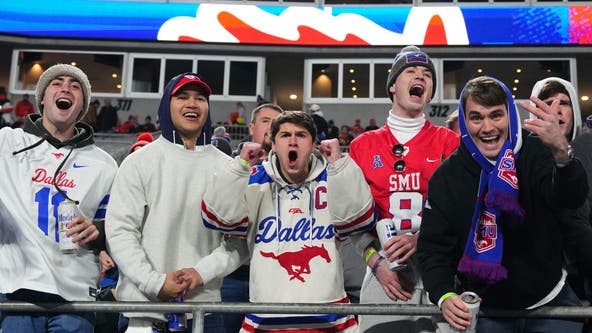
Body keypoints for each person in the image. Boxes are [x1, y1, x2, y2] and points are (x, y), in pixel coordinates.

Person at [417, 76, 591, 333]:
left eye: (496, 115)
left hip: (550, 302)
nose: (487, 127)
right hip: (488, 308)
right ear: (465, 122)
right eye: (476, 118)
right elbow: (433, 249)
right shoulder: (446, 177)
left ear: (510, 116)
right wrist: (443, 294)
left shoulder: (537, 152)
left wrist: (562, 154)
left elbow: (569, 198)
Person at [202, 111, 376, 332]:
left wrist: (339, 166)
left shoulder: (333, 176)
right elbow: (218, 218)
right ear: (273, 144)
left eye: (301, 135)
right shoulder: (253, 179)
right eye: (285, 135)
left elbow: (360, 218)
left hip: (331, 319)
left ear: (313, 144)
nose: (293, 141)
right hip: (265, 320)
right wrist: (240, 167)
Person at [105, 73, 248, 333]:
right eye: (182, 97)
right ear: (166, 105)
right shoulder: (139, 162)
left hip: (205, 309)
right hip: (143, 311)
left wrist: (200, 273)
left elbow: (238, 240)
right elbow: (120, 231)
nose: (192, 104)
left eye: (200, 98)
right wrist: (155, 282)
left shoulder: (227, 168)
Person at [348, 45, 459, 333]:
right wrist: (376, 264)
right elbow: (350, 221)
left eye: (426, 74)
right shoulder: (362, 145)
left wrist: (423, 237)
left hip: (442, 266)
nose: (419, 76)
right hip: (385, 272)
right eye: (410, 71)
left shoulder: (449, 142)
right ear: (393, 86)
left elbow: (465, 210)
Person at [0, 64, 118, 332]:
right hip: (17, 286)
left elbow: (115, 225)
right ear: (42, 98)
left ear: (83, 107)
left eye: (75, 87)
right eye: (57, 83)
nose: (66, 88)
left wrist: (97, 231)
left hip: (75, 291)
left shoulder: (105, 164)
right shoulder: (6, 143)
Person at [223, 102, 284, 333]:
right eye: (265, 121)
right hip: (233, 273)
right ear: (251, 127)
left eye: (277, 122)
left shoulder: (294, 170)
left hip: (276, 273)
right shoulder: (229, 167)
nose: (271, 127)